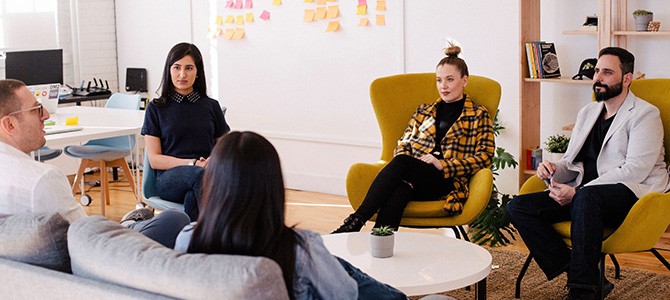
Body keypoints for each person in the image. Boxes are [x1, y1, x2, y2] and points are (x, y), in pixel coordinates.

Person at [507, 47, 670, 299]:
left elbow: (635, 169)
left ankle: (582, 292)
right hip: (585, 197)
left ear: (626, 79)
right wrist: (553, 169)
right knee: (519, 206)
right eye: (596, 71)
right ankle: (585, 276)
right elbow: (571, 160)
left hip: (632, 196)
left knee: (586, 198)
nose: (598, 78)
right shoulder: (588, 112)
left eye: (607, 72)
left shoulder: (644, 114)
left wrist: (578, 192)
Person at [174, 131, 406, 300]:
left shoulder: (187, 239)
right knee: (337, 267)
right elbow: (345, 295)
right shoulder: (300, 247)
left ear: (213, 184)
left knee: (335, 263)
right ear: (272, 186)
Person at [0, 79, 190, 248]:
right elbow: (85, 238)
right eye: (36, 109)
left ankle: (127, 225)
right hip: (99, 257)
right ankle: (127, 226)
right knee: (174, 219)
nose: (46, 116)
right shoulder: (41, 179)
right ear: (10, 125)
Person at [333, 45, 495, 233]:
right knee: (400, 190)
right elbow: (404, 144)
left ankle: (356, 220)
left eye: (450, 80)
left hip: (446, 181)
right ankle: (380, 244)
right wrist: (414, 164)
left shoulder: (478, 115)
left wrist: (444, 164)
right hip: (415, 175)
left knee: (402, 163)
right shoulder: (424, 111)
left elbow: (485, 156)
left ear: (464, 80)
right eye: (439, 80)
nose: (443, 86)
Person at [141, 42, 230, 221]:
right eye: (177, 68)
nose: (182, 74)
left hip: (204, 176)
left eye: (189, 68)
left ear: (197, 72)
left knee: (193, 197)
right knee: (201, 177)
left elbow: (226, 147)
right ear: (169, 70)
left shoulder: (211, 106)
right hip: (169, 179)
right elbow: (155, 159)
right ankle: (226, 234)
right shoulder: (156, 108)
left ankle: (193, 243)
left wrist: (214, 159)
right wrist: (193, 163)